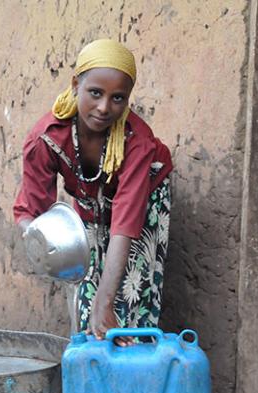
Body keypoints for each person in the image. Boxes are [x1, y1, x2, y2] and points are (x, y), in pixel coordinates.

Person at [13, 39, 172, 345]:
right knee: (86, 299)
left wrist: (106, 301)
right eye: (95, 93)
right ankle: (94, 371)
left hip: (144, 198)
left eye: (117, 98)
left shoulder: (136, 142)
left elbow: (126, 225)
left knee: (128, 300)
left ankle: (132, 377)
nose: (104, 108)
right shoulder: (47, 138)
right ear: (76, 84)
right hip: (89, 202)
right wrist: (47, 245)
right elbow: (30, 213)